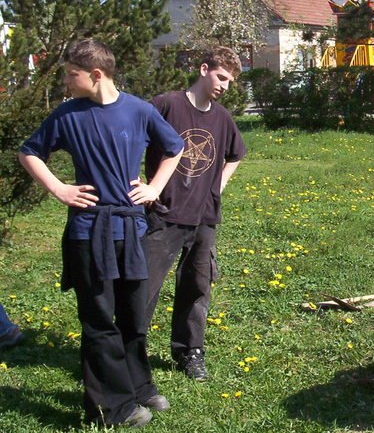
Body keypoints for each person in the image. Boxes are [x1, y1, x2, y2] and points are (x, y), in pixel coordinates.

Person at [18, 39, 185, 428]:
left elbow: (174, 147)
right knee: (98, 321)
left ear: (96, 74)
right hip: (89, 230)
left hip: (131, 228)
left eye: (70, 74)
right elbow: (29, 152)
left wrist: (155, 187)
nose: (65, 81)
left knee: (133, 316)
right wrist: (59, 188)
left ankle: (139, 387)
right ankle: (113, 406)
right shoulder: (67, 115)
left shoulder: (139, 110)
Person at [144, 46, 246, 381]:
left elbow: (236, 154)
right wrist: (143, 184)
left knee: (197, 286)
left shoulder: (222, 118)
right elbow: (131, 139)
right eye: (221, 77)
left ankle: (190, 351)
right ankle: (130, 351)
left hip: (204, 217)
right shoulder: (166, 104)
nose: (224, 86)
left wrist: (218, 186)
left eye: (229, 82)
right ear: (203, 69)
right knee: (144, 286)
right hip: (163, 212)